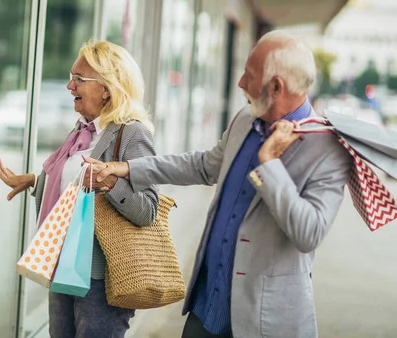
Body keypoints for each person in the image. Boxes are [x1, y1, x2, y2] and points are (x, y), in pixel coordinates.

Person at [85, 31, 353, 338]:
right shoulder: (245, 119)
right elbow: (202, 165)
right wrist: (127, 168)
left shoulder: (329, 150)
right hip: (206, 309)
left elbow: (309, 233)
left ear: (276, 86)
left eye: (248, 76)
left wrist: (270, 164)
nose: (240, 83)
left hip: (264, 323)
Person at [0, 40, 159, 337]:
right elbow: (74, 183)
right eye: (72, 77)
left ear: (107, 88)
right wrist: (34, 181)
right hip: (63, 262)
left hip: (99, 276)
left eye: (79, 79)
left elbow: (148, 209)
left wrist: (109, 182)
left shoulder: (132, 133)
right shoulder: (82, 130)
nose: (70, 86)